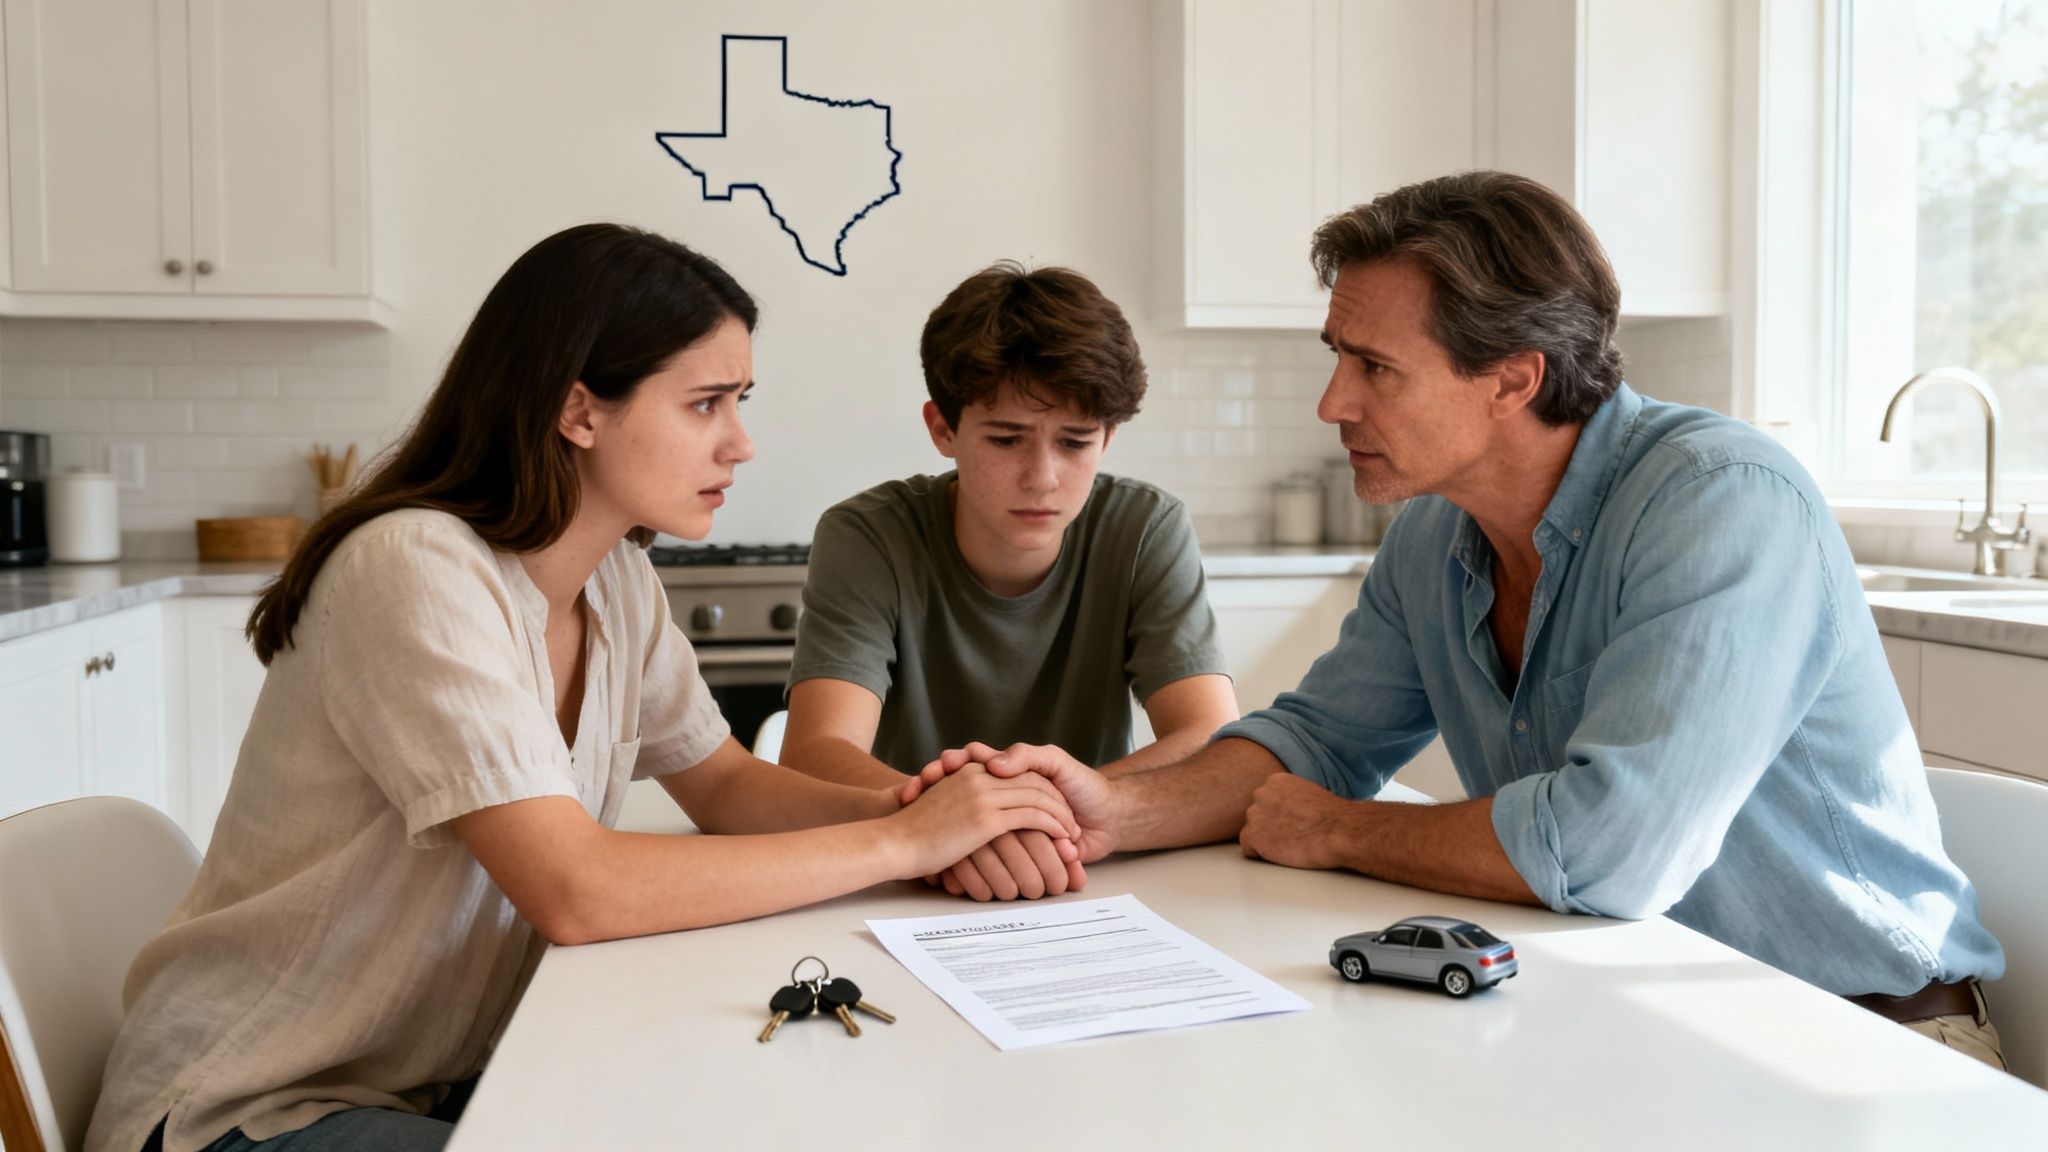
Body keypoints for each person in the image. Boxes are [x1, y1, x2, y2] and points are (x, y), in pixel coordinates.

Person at [907, 172, 2009, 1069]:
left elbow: (1611, 850)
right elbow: (1316, 742)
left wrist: (1336, 829)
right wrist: (1111, 811)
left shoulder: (1721, 501)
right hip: (1641, 1020)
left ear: (1511, 380)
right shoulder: (1435, 535)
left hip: (1865, 1047)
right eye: (1336, 357)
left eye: (1372, 366)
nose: (1332, 402)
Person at [86, 225, 1080, 1152]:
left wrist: (939, 811)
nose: (739, 443)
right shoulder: (415, 567)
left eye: (741, 401)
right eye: (705, 404)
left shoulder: (613, 578)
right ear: (578, 410)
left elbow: (728, 787)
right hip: (249, 1110)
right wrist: (905, 839)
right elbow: (577, 889)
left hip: (441, 1078)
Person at [781, 262, 1238, 901]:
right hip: (908, 877)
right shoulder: (867, 536)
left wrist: (1012, 819)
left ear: (1108, 439)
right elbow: (815, 751)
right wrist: (951, 825)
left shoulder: (1144, 527)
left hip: (1084, 871)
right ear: (943, 429)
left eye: (1075, 442)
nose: (1042, 477)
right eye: (1006, 438)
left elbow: (1208, 738)